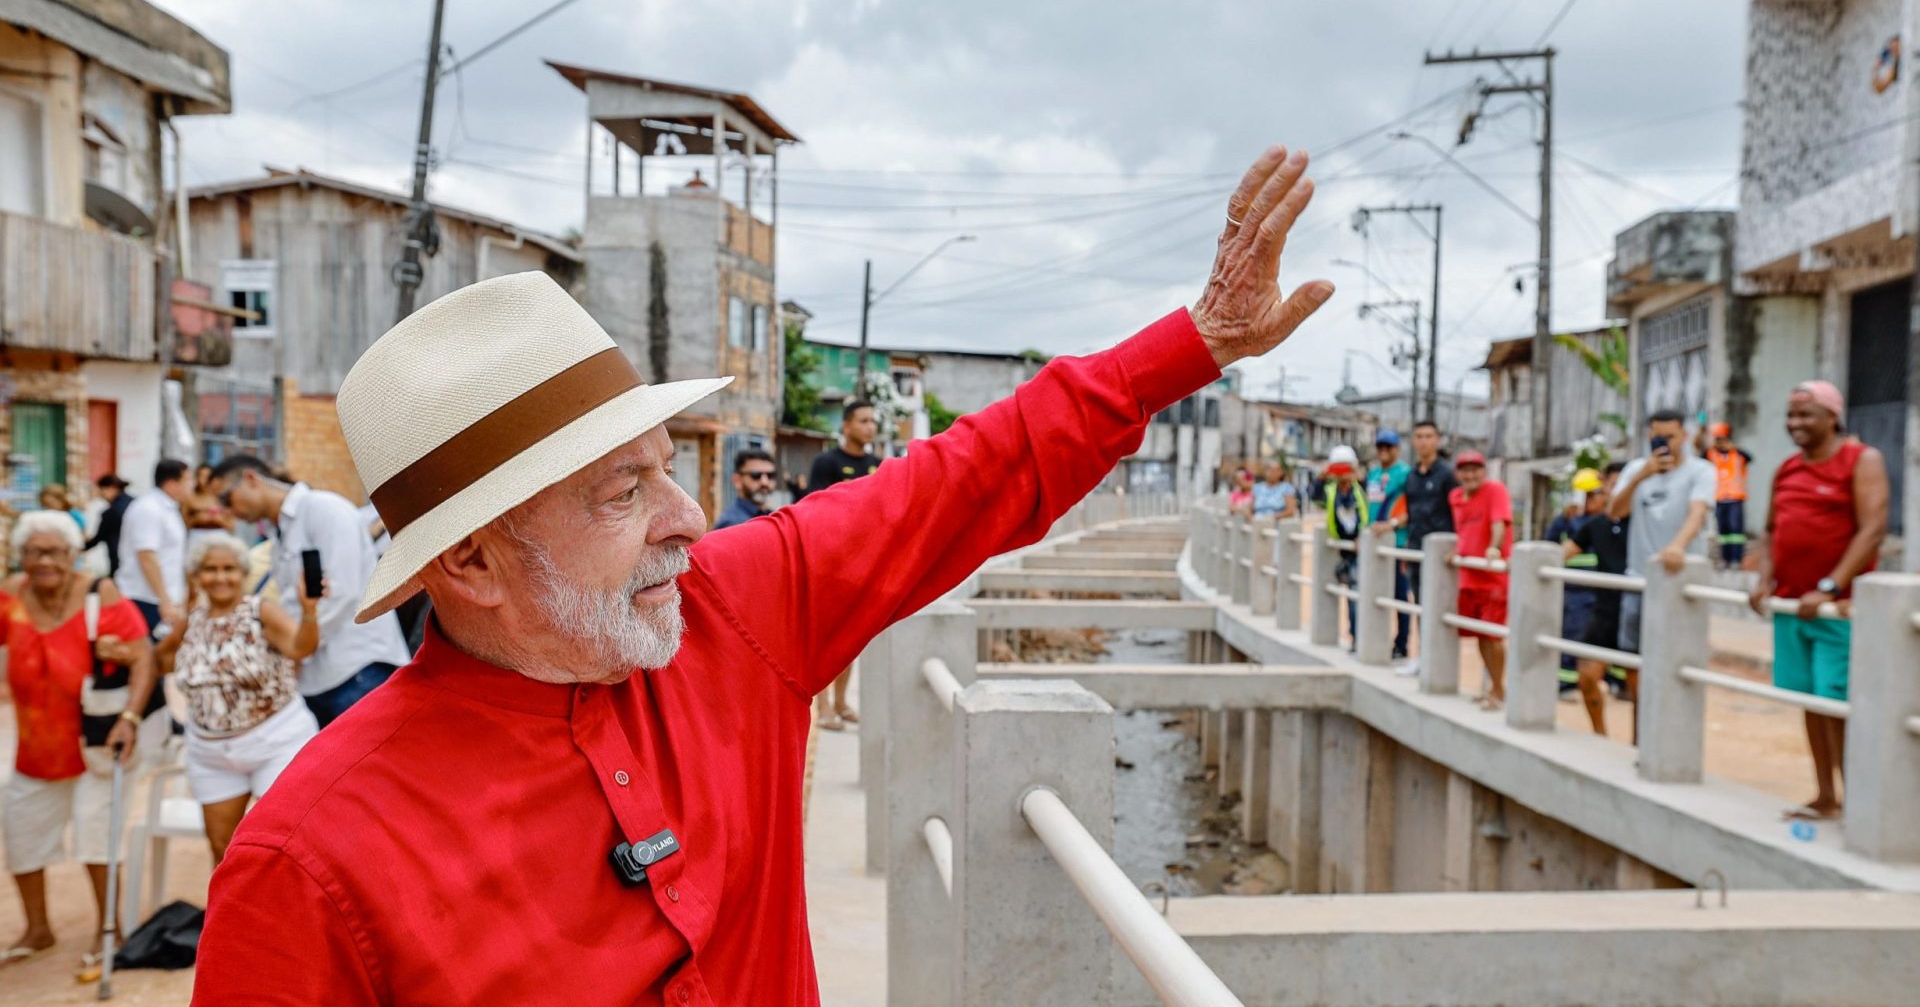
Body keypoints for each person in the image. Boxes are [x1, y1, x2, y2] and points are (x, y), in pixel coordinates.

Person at [191, 144, 1333, 1004]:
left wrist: (1196, 344)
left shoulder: (728, 612)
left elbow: (960, 481)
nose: (688, 518)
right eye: (624, 493)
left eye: (669, 469)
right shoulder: (310, 865)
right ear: (472, 559)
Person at [1, 511, 154, 969]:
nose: (45, 561)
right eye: (35, 552)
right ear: (21, 555)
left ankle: (111, 930)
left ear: (72, 554)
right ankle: (38, 929)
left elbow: (144, 657)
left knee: (96, 837)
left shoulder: (99, 594)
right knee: (23, 835)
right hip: (35, 749)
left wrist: (130, 717)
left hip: (96, 746)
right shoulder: (11, 595)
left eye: (54, 552)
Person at [1749, 380, 1888, 822]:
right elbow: (1770, 530)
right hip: (1792, 607)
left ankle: (1860, 804)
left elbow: (1873, 529)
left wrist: (1829, 587)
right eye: (1791, 415)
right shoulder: (1787, 468)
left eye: (1806, 414)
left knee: (1837, 701)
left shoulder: (1860, 459)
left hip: (1836, 609)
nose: (1795, 423)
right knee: (1810, 699)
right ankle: (1827, 796)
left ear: (1832, 416)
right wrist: (1764, 579)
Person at [206, 456, 410, 728]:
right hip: (315, 680)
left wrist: (299, 645)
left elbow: (343, 592)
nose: (227, 511)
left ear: (251, 480)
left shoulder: (323, 508)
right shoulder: (279, 536)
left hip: (357, 668)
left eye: (226, 498)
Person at [154, 533, 322, 862]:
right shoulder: (192, 620)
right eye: (210, 569)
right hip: (211, 753)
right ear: (197, 575)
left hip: (275, 742)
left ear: (243, 573)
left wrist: (309, 612)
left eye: (229, 568)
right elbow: (161, 661)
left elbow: (301, 647)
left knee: (284, 843)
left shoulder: (261, 611)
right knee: (223, 849)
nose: (220, 577)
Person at [1609, 409, 1716, 665]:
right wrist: (1641, 476)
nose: (1666, 443)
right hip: (1639, 578)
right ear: (1649, 436)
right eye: (1659, 437)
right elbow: (1614, 512)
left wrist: (1676, 548)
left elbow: (1698, 513)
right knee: (1633, 657)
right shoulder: (1636, 469)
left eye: (1671, 437)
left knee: (1681, 657)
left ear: (1684, 436)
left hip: (1682, 578)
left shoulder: (1701, 471)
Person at [803, 400, 885, 731]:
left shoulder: (878, 465)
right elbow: (814, 510)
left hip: (863, 563)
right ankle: (823, 707)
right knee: (826, 638)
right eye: (863, 420)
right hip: (830, 561)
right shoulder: (826, 463)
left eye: (873, 421)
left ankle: (841, 702)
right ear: (846, 425)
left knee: (852, 637)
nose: (870, 427)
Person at [1562, 464, 1630, 735]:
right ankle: (1599, 734)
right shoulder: (1594, 524)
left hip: (1635, 611)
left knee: (1639, 685)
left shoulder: (1643, 524)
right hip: (1603, 610)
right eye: (1610, 485)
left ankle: (1639, 746)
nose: (1615, 491)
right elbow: (1563, 551)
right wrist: (1526, 564)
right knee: (1587, 676)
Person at [1449, 450, 1511, 710]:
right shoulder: (1455, 497)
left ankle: (1498, 690)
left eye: (1475, 470)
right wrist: (1456, 549)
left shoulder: (1495, 490)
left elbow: (1499, 523)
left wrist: (1494, 548)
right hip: (1469, 577)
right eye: (1465, 470)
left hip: (1492, 577)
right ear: (1458, 474)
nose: (1470, 475)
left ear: (1483, 472)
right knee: (1479, 636)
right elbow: (1463, 530)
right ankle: (1492, 688)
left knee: (1493, 636)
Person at [1395, 420, 1457, 676]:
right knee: (1421, 605)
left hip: (1442, 554)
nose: (1423, 441)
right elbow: (1411, 514)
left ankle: (1439, 664)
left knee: (1441, 607)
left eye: (1428, 436)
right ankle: (1423, 658)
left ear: (1437, 440)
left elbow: (1457, 511)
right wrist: (1392, 528)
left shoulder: (1448, 475)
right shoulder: (1411, 476)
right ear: (1413, 441)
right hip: (1416, 550)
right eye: (1419, 436)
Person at [115, 459, 191, 637]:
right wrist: (164, 600)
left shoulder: (169, 508)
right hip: (144, 598)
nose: (192, 485)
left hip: (162, 599)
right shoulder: (148, 509)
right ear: (172, 484)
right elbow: (147, 556)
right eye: (188, 480)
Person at [1365, 430, 1412, 659]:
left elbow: (1411, 508)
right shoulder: (1373, 474)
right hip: (1374, 544)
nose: (1384, 450)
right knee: (1373, 593)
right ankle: (1373, 641)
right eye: (1380, 446)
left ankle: (1401, 644)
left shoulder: (1405, 474)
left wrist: (1391, 525)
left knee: (1399, 594)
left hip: (1397, 542)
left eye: (1388, 446)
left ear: (1397, 449)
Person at [1321, 444, 1366, 645]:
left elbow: (1371, 511)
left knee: (1360, 595)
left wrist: (1363, 536)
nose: (1342, 474)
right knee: (1351, 594)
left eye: (1346, 469)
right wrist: (1321, 477)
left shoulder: (1362, 488)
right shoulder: (1331, 491)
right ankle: (1355, 636)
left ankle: (1361, 638)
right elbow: (1315, 498)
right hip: (1344, 550)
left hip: (1363, 547)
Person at [1706, 422, 1753, 569]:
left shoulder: (1737, 454)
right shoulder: (1712, 454)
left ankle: (1736, 559)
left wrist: (1733, 447)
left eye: (1723, 439)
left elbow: (1750, 457)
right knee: (1723, 531)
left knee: (1736, 530)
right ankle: (1726, 559)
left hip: (1735, 497)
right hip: (1719, 498)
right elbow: (1701, 455)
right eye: (1717, 440)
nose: (1720, 443)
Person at [715, 449, 778, 529]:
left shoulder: (774, 517)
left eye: (770, 475)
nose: (764, 482)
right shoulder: (731, 524)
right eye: (756, 475)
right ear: (737, 480)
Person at [84, 475, 132, 578]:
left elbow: (99, 536)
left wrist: (81, 547)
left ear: (111, 488)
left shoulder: (112, 512)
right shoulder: (135, 503)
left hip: (119, 560)